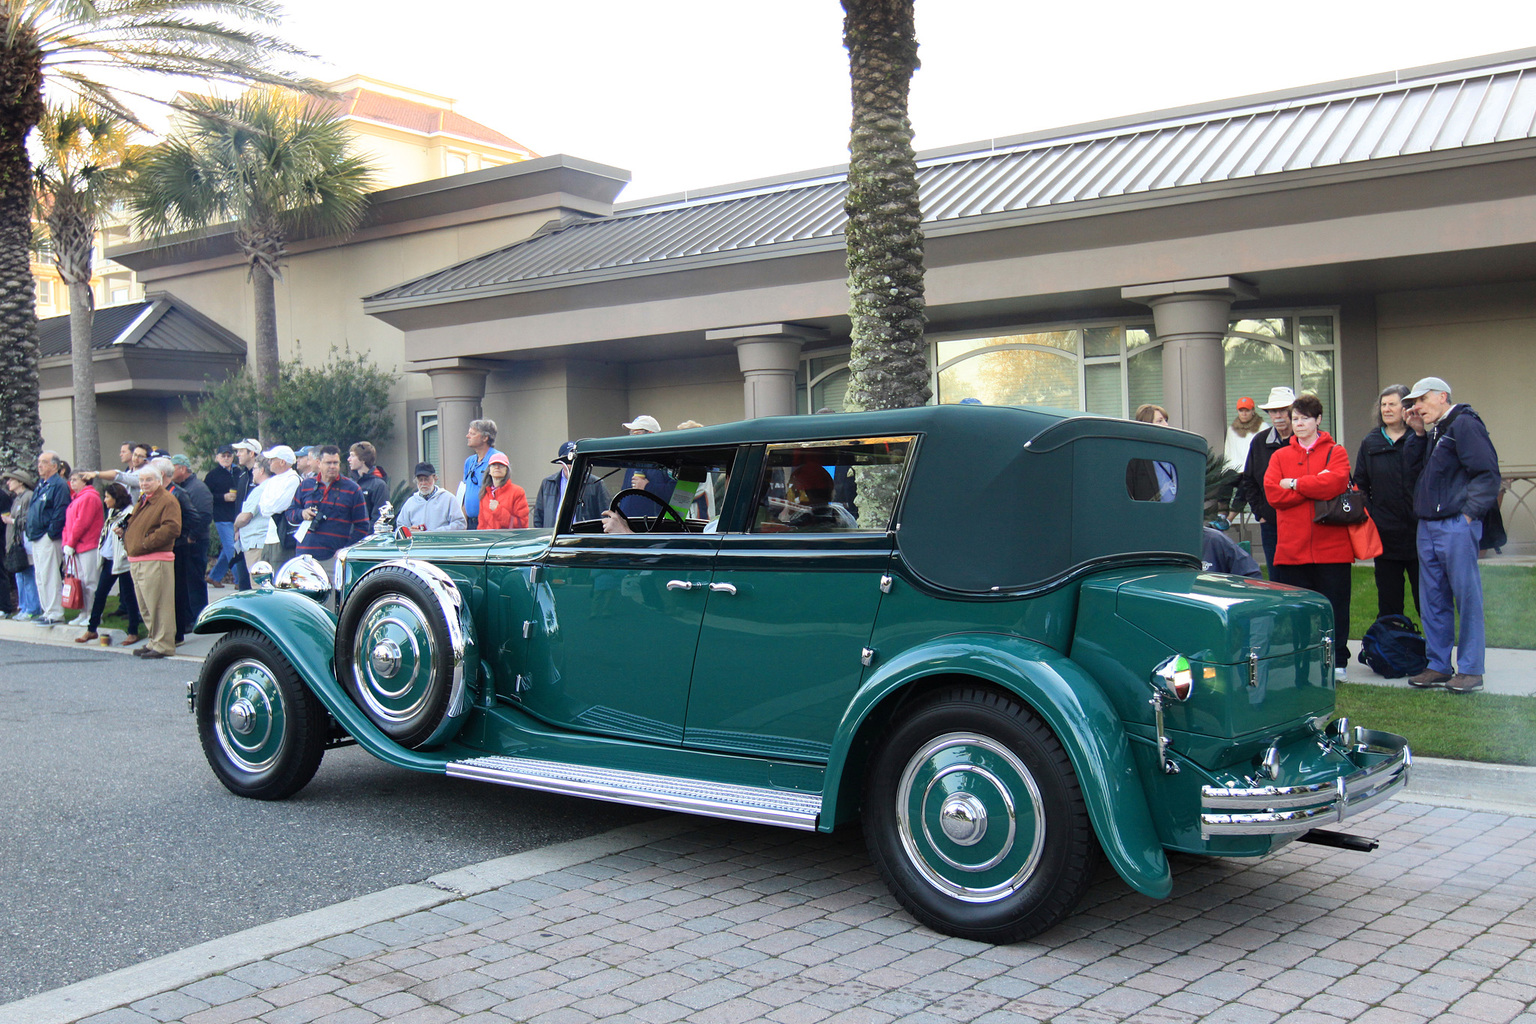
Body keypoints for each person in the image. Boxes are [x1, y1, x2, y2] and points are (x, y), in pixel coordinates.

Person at [1402, 376, 1501, 694]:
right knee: (1433, 600)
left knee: (1465, 597)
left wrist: (1467, 515)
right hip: (1428, 526)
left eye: (1421, 400)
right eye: (1414, 402)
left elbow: (1487, 474)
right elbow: (1414, 472)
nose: (1416, 407)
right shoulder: (1436, 431)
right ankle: (1439, 665)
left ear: (1442, 397)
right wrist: (1418, 434)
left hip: (1455, 525)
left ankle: (1471, 669)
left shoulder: (1464, 424)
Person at [1264, 392, 1353, 680]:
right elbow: (1274, 494)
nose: (1298, 424)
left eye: (1304, 418)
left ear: (1318, 420)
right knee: (1297, 612)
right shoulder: (1279, 455)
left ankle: (1338, 661)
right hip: (1293, 548)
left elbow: (1336, 483)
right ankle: (1301, 661)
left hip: (1332, 547)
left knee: (1335, 606)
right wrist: (1312, 488)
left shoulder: (1335, 452)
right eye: (1295, 419)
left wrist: (1296, 484)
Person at [1354, 385, 1422, 620]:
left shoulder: (1420, 438)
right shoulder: (1370, 442)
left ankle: (1435, 654)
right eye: (1383, 405)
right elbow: (1359, 484)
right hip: (1385, 535)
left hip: (1419, 533)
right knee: (1390, 603)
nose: (1386, 409)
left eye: (1392, 404)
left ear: (1407, 406)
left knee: (1427, 601)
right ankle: (1393, 651)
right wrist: (1373, 514)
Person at [122, 464, 181, 658]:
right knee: (146, 605)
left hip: (155, 559)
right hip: (138, 558)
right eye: (141, 480)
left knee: (159, 604)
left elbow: (171, 528)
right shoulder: (144, 499)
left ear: (158, 480)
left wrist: (146, 543)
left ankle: (163, 644)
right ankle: (153, 640)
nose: (144, 483)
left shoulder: (166, 500)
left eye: (149, 480)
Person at [1235, 386, 1297, 570]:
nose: (1277, 416)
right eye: (1273, 411)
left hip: (1302, 521)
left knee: (1302, 577)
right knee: (1276, 575)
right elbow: (1249, 479)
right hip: (1271, 522)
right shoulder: (1260, 441)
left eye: (1282, 410)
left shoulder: (1305, 439)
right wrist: (1260, 513)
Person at [285, 445, 370, 575]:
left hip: (332, 558)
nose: (332, 466)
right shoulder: (306, 485)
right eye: (328, 463)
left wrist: (346, 549)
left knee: (331, 595)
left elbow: (362, 526)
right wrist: (302, 513)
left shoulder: (352, 489)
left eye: (335, 463)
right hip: (304, 556)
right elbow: (290, 513)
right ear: (319, 463)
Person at [77, 482, 143, 646]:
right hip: (108, 560)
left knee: (129, 596)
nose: (105, 500)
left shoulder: (129, 513)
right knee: (100, 594)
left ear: (116, 498)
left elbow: (127, 535)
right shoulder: (112, 512)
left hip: (122, 561)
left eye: (107, 497)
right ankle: (92, 629)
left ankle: (133, 631)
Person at [169, 454, 213, 642]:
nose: (171, 473)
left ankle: (199, 617)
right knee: (186, 582)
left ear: (182, 468)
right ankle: (188, 618)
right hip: (188, 541)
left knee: (194, 581)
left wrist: (191, 537)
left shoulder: (197, 488)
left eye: (173, 468)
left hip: (195, 542)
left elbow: (203, 515)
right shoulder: (184, 488)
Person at [27, 450, 70, 625]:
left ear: (54, 465)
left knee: (50, 574)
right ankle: (46, 611)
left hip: (47, 536)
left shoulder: (58, 485)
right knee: (40, 575)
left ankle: (55, 613)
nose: (40, 465)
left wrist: (51, 533)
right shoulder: (42, 484)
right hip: (36, 536)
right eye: (39, 462)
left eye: (44, 462)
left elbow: (60, 510)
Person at [61, 471, 105, 622]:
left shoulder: (89, 497)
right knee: (80, 582)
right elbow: (69, 524)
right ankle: (84, 612)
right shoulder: (77, 498)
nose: (72, 483)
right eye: (71, 480)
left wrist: (71, 542)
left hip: (88, 545)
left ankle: (94, 614)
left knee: (90, 581)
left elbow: (82, 523)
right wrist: (67, 543)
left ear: (84, 481)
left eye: (75, 480)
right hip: (77, 546)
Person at [533, 442, 608, 528]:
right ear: (561, 462)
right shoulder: (548, 483)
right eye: (569, 461)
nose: (572, 465)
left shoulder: (596, 483)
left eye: (576, 461)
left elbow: (605, 514)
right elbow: (538, 516)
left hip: (582, 537)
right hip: (553, 537)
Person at [204, 443, 246, 590]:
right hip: (221, 516)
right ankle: (239, 579)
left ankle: (214, 576)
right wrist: (222, 497)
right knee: (232, 547)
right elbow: (206, 496)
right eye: (223, 456)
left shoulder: (238, 472)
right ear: (217, 458)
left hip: (236, 515)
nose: (226, 458)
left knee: (227, 550)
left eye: (229, 455)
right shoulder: (212, 476)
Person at [2, 470, 39, 621]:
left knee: (28, 575)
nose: (8, 483)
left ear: (21, 481)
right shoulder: (17, 499)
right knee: (20, 576)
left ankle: (32, 608)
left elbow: (28, 519)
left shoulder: (28, 497)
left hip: (25, 542)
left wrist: (12, 521)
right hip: (16, 543)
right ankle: (23, 607)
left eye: (11, 480)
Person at [257, 446, 302, 566]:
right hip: (269, 538)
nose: (269, 462)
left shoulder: (293, 479)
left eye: (272, 459)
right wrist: (270, 507)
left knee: (279, 575)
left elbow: (280, 506)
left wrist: (270, 506)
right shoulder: (272, 481)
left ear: (282, 462)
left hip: (282, 538)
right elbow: (263, 507)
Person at [1126, 404, 1176, 502]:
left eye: (1166, 420)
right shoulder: (1136, 458)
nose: (1166, 425)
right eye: (1160, 421)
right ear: (1147, 425)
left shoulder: (1172, 455)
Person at [232, 458, 274, 577]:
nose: (252, 472)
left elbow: (245, 517)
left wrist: (235, 527)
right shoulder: (274, 486)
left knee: (258, 583)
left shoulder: (260, 490)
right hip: (266, 542)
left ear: (261, 470)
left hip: (255, 544)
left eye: (254, 469)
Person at [397, 462, 468, 532]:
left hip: (441, 542)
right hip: (418, 542)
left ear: (435, 478)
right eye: (420, 480)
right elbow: (400, 527)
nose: (423, 483)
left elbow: (460, 524)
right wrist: (409, 531)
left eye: (427, 479)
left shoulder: (448, 499)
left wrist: (435, 532)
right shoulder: (410, 503)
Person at [461, 419, 501, 529]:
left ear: (485, 437)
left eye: (472, 434)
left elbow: (502, 492)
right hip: (471, 523)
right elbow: (466, 492)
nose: (467, 436)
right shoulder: (469, 462)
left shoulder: (496, 459)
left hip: (489, 522)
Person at [477, 453, 529, 529]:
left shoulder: (517, 492)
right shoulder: (484, 493)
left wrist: (498, 510)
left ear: (506, 471)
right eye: (494, 464)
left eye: (501, 465)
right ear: (489, 470)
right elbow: (481, 525)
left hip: (509, 540)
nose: (497, 467)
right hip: (490, 539)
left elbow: (522, 524)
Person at [348, 441, 390, 526]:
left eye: (352, 456)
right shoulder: (349, 483)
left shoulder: (379, 485)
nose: (348, 459)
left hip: (366, 537)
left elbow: (378, 518)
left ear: (363, 459)